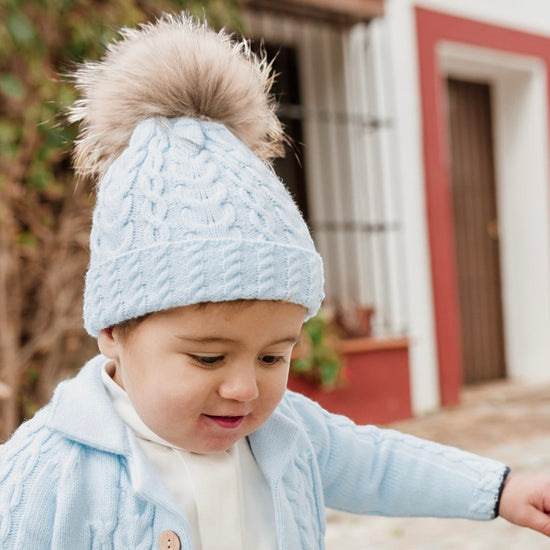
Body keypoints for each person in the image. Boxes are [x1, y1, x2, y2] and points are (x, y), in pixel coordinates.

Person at [0, 12, 549, 550]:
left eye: (271, 357)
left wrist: (501, 489)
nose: (245, 389)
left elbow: (377, 464)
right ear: (115, 331)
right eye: (209, 358)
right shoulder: (49, 474)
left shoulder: (285, 433)